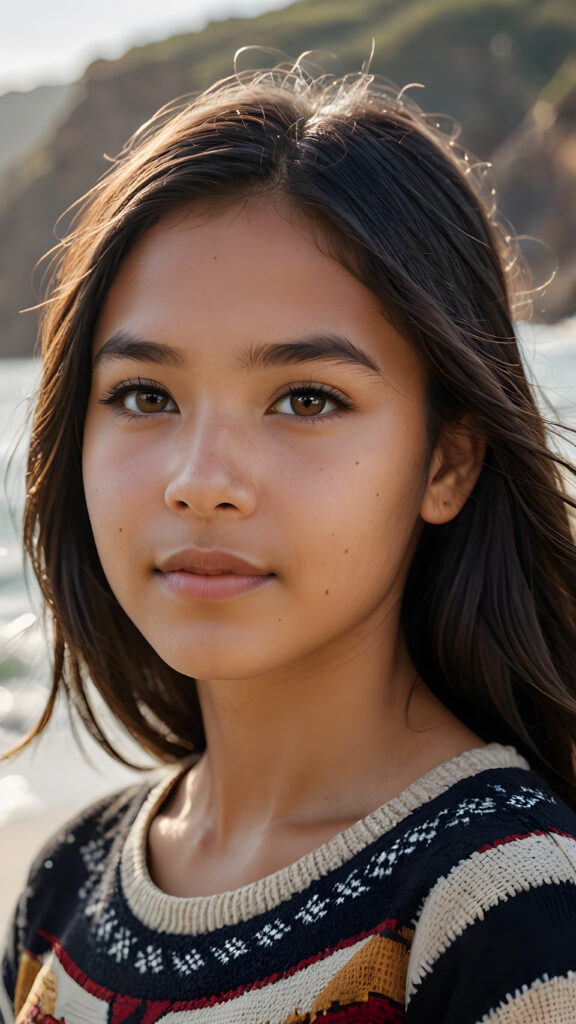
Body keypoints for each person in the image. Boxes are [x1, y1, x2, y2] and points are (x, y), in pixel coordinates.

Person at [1, 59, 576, 1024]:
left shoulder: (511, 907)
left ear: (447, 462)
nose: (201, 481)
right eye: (146, 396)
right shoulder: (67, 886)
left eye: (307, 399)